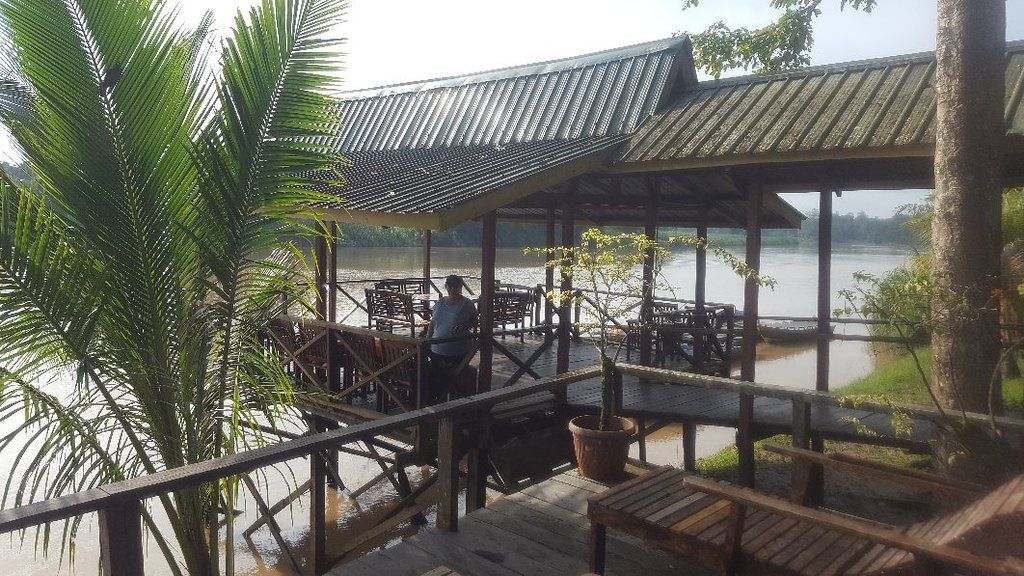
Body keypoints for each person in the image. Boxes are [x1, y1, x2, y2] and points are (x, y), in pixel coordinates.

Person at [425, 275, 478, 403]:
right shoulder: (440, 302)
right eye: (450, 286)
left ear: (460, 287)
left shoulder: (467, 304)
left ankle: (455, 402)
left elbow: (475, 322)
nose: (452, 289)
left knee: (454, 377)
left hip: (458, 351)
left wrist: (465, 326)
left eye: (456, 286)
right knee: (435, 376)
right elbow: (433, 323)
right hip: (436, 350)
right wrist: (427, 340)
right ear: (446, 287)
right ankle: (437, 403)